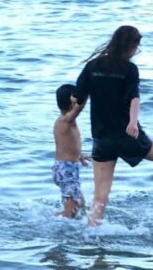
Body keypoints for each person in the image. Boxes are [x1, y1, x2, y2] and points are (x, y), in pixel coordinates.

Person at [73, 25, 153, 227]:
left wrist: (68, 122)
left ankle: (91, 234)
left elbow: (78, 98)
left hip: (102, 139)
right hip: (128, 136)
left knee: (100, 197)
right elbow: (134, 97)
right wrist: (133, 122)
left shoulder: (92, 66)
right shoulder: (129, 69)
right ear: (132, 46)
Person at [53, 83, 89, 218]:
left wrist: (80, 156)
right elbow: (79, 109)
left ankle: (60, 219)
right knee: (71, 211)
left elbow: (66, 145)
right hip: (66, 170)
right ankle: (56, 225)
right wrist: (89, 89)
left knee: (81, 203)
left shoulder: (66, 121)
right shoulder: (65, 120)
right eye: (76, 97)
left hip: (67, 169)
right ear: (71, 101)